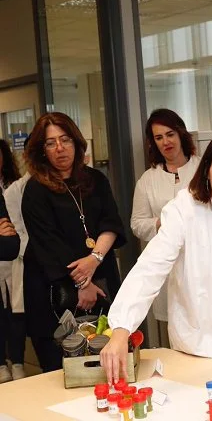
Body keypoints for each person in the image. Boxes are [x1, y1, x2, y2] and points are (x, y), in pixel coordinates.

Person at [101, 131, 212, 384]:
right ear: (207, 169)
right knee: (209, 402)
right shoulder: (184, 209)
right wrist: (121, 329)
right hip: (201, 330)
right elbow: (150, 268)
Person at [22, 112, 127, 372]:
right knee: (61, 371)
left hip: (101, 278)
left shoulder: (96, 179)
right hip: (52, 289)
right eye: (51, 143)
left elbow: (111, 224)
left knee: (106, 364)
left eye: (65, 139)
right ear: (41, 150)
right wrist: (83, 283)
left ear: (77, 142)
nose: (60, 148)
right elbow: (49, 244)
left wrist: (95, 259)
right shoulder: (35, 190)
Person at [131, 108, 200, 345]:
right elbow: (137, 224)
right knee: (172, 332)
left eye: (170, 134)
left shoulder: (203, 170)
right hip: (166, 265)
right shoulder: (148, 180)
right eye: (158, 138)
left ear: (181, 134)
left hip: (199, 260)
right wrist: (161, 222)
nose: (166, 142)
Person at [0, 140, 22, 383]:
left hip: (15, 260)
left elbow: (14, 229)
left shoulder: (13, 187)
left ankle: (16, 361)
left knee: (16, 314)